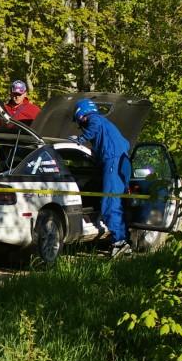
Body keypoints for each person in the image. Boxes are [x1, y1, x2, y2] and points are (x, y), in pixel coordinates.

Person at [71, 98, 133, 258]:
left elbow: (93, 127)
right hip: (121, 163)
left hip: (113, 162)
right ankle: (123, 241)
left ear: (81, 114)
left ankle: (119, 242)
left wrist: (79, 140)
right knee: (117, 203)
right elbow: (125, 144)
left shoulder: (95, 119)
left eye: (79, 121)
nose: (80, 125)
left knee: (110, 204)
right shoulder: (108, 127)